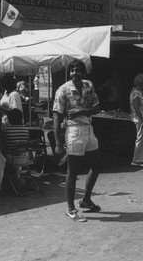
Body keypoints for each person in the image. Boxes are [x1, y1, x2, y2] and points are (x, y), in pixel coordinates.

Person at [53, 60, 103, 222]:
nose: (75, 73)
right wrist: (58, 143)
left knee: (96, 165)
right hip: (74, 131)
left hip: (88, 128)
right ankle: (70, 209)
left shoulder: (88, 85)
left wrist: (82, 111)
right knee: (73, 171)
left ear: (83, 73)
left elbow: (97, 108)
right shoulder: (63, 90)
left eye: (78, 70)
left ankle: (86, 200)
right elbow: (56, 115)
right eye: (73, 70)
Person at [2, 108, 30, 184]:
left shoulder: (6, 130)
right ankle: (15, 176)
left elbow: (4, 144)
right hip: (24, 158)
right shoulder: (25, 130)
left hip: (11, 159)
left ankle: (6, 179)